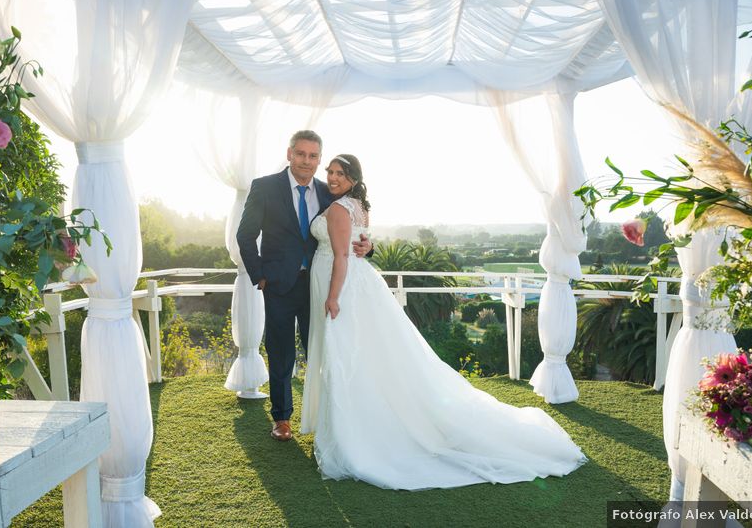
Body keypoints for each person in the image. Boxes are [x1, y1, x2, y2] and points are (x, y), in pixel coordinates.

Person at [300, 154, 587, 490]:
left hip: (343, 287)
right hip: (357, 284)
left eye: (340, 173)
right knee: (366, 355)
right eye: (330, 172)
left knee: (348, 355)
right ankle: (360, 420)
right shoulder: (357, 205)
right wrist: (366, 248)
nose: (332, 177)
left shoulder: (338, 208)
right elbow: (358, 242)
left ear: (352, 178)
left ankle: (355, 432)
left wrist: (333, 297)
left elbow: (342, 255)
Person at [237, 131, 372, 442]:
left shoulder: (331, 191)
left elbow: (350, 229)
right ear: (289, 153)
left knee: (323, 350)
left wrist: (370, 247)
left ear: (319, 159)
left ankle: (327, 414)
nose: (306, 161)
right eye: (301, 154)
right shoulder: (264, 187)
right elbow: (245, 236)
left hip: (320, 286)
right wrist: (260, 274)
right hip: (279, 285)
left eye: (313, 156)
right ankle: (282, 418)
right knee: (281, 351)